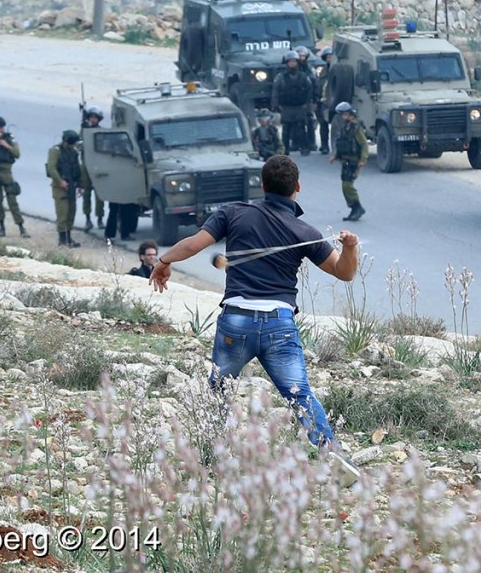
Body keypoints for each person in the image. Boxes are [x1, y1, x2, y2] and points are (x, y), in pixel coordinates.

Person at [148, 155, 361, 475]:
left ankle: (209, 457)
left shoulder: (232, 213)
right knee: (300, 394)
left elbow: (194, 244)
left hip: (236, 321)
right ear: (297, 188)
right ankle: (332, 455)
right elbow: (344, 273)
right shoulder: (303, 229)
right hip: (279, 324)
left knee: (219, 389)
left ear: (262, 185)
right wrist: (350, 248)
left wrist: (164, 261)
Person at [330, 102, 368, 221]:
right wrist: (335, 156)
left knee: (347, 184)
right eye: (343, 115)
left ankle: (357, 207)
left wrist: (363, 159)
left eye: (345, 114)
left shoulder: (356, 128)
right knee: (345, 184)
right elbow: (342, 143)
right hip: (346, 160)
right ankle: (354, 208)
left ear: (351, 114)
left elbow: (363, 144)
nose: (344, 117)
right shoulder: (346, 127)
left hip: (354, 161)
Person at [271, 51, 313, 156]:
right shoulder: (280, 77)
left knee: (301, 128)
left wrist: (308, 105)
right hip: (286, 107)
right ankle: (285, 150)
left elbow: (309, 91)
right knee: (286, 130)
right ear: (287, 63)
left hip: (300, 107)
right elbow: (275, 91)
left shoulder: (304, 77)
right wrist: (276, 105)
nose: (292, 64)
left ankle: (304, 148)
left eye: (294, 61)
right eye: (290, 62)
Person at [46, 129, 84, 247]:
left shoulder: (73, 152)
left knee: (71, 213)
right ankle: (62, 240)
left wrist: (80, 185)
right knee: (62, 213)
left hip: (72, 185)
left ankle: (69, 238)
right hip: (60, 187)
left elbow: (78, 169)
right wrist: (60, 181)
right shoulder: (55, 151)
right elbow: (51, 168)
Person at [80, 105, 106, 232]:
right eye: (91, 117)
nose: (93, 119)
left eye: (96, 118)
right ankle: (87, 218)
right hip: (86, 164)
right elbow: (79, 145)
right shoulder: (84, 130)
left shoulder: (101, 132)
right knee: (86, 194)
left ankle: (100, 218)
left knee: (99, 195)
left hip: (98, 164)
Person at [296, 45, 319, 153]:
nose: (301, 58)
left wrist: (314, 101)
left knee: (310, 122)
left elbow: (315, 85)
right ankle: (298, 143)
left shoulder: (310, 69)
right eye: (299, 56)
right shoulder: (291, 70)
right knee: (297, 123)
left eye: (303, 56)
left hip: (308, 99)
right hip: (296, 100)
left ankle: (312, 143)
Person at [317, 45, 334, 155]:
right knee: (323, 124)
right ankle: (324, 146)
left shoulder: (339, 70)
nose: (330, 59)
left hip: (336, 100)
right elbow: (319, 85)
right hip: (324, 101)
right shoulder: (323, 72)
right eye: (328, 57)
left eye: (331, 56)